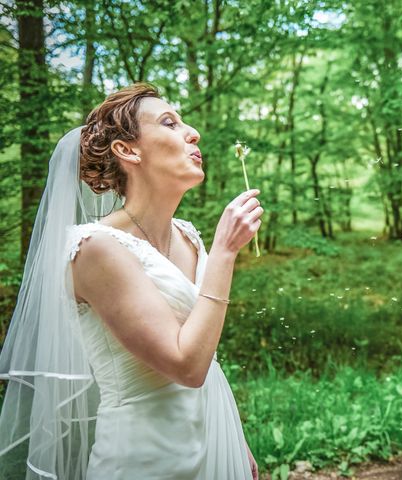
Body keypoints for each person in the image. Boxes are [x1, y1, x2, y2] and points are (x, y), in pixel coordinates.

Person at [0, 84, 262, 479]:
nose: (193, 133)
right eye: (170, 123)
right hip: (146, 455)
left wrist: (232, 437)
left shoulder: (188, 234)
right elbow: (185, 365)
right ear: (128, 150)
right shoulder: (95, 248)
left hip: (211, 435)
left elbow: (205, 353)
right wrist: (225, 253)